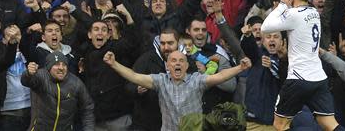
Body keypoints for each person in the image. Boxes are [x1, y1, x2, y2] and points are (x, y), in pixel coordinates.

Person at [261, 0, 345, 130]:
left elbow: (264, 27)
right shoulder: (314, 13)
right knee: (329, 124)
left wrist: (281, 5)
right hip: (318, 78)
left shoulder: (293, 14)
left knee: (280, 125)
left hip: (298, 79)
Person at [103, 50, 252, 131]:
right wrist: (114, 64)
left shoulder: (197, 80)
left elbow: (220, 76)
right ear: (167, 66)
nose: (177, 63)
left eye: (181, 61)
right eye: (173, 61)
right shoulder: (160, 81)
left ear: (187, 66)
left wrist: (240, 68)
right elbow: (134, 76)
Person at [21, 51, 95, 130]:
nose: (61, 68)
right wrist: (28, 74)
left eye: (64, 65)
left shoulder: (76, 83)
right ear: (49, 67)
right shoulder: (40, 76)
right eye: (56, 64)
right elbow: (26, 81)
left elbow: (87, 108)